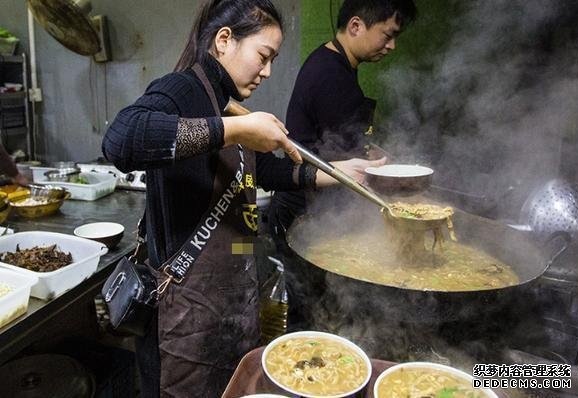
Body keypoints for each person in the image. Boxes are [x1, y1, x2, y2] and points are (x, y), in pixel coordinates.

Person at [102, 1, 384, 397]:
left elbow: (264, 171)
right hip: (181, 312)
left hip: (226, 302)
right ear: (224, 41)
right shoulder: (183, 88)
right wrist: (232, 129)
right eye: (263, 56)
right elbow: (121, 139)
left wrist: (337, 174)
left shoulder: (222, 99)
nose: (267, 71)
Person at [268, 0, 417, 331]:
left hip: (313, 205)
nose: (392, 46)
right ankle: (305, 372)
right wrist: (376, 168)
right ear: (355, 26)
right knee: (310, 310)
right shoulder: (330, 73)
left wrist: (368, 149)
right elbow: (337, 158)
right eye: (388, 35)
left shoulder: (337, 64)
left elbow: (339, 139)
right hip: (303, 211)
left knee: (320, 306)